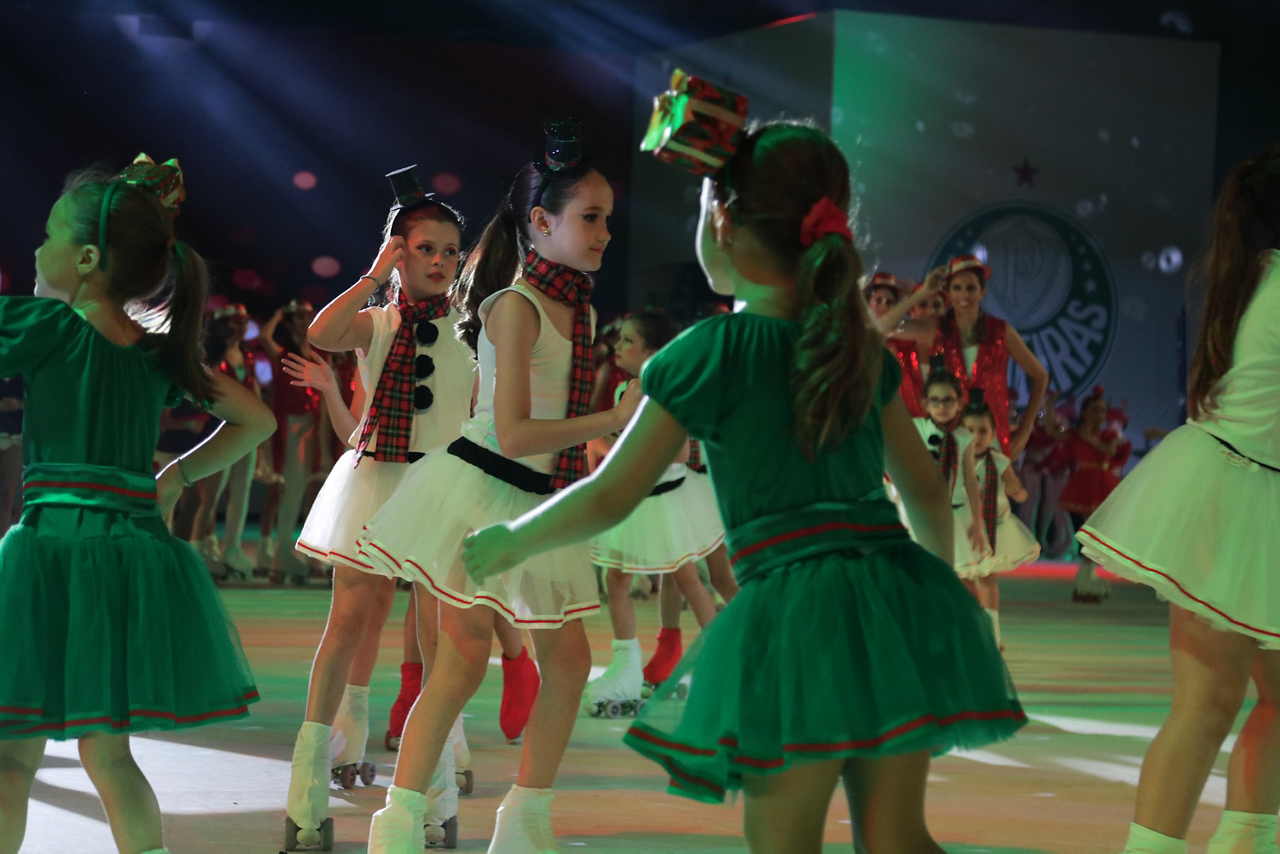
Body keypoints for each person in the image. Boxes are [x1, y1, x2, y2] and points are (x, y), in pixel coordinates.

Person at [461, 120, 1025, 854]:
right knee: (897, 836)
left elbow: (610, 494)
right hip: (891, 597)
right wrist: (932, 600)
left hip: (792, 612)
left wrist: (514, 539)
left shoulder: (710, 352)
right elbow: (921, 491)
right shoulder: (857, 349)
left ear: (722, 225)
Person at [359, 120, 640, 852]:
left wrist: (611, 432)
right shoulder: (514, 306)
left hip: (538, 498)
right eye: (590, 217)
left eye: (607, 218)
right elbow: (512, 432)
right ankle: (398, 821)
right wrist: (612, 419)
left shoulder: (581, 306)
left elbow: (552, 426)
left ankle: (524, 818)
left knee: (569, 661)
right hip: (483, 489)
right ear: (541, 222)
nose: (605, 232)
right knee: (459, 662)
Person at [0, 156, 273, 854]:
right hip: (127, 559)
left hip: (50, 554)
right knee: (110, 754)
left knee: (11, 757)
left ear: (87, 259)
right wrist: (177, 474)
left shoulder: (45, 327)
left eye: (49, 236)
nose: (38, 250)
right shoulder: (157, 354)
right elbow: (256, 418)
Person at [282, 169, 494, 848]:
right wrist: (376, 272)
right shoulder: (379, 321)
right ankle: (306, 790)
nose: (439, 261)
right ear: (400, 252)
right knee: (346, 624)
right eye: (423, 249)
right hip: (376, 479)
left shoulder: (473, 327)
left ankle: (434, 794)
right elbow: (323, 331)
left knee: (439, 644)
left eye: (449, 251)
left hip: (443, 488)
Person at [1079, 142, 1280, 854]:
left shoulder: (1253, 275)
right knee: (1210, 706)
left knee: (1216, 706)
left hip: (1233, 488)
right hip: (1244, 495)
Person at [584, 311, 725, 715]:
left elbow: (678, 451)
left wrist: (622, 442)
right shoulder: (626, 389)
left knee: (687, 579)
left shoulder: (666, 389)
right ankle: (627, 666)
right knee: (617, 579)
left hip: (664, 496)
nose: (618, 346)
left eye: (629, 341)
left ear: (652, 352)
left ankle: (722, 659)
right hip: (640, 497)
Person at [891, 254, 1049, 460]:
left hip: (992, 441)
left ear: (982, 291)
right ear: (949, 293)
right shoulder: (935, 330)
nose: (964, 294)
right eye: (957, 288)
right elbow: (882, 327)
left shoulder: (1001, 332)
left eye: (971, 288)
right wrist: (919, 295)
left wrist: (1026, 427)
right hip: (949, 443)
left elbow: (1040, 376)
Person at [958, 389, 1041, 648]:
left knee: (987, 578)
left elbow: (1018, 491)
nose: (976, 437)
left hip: (994, 528)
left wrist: (1017, 491)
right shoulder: (956, 460)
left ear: (993, 433)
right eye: (970, 430)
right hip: (964, 527)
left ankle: (992, 633)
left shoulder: (997, 460)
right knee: (963, 578)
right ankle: (975, 626)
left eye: (982, 431)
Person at [190, 302, 262, 579]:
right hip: (217, 427)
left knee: (241, 491)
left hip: (246, 428)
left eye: (244, 322)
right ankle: (198, 546)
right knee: (212, 493)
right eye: (235, 322)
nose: (241, 327)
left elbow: (254, 391)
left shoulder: (247, 354)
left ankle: (232, 546)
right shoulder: (211, 354)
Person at [259, 298, 325, 582]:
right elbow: (264, 338)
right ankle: (281, 552)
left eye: (307, 316)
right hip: (291, 426)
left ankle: (290, 552)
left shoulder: (318, 351)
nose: (304, 321)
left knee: (303, 489)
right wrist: (278, 314)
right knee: (290, 488)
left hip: (313, 426)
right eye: (298, 317)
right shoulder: (284, 353)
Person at [1050, 385, 1126, 603]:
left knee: (1098, 534)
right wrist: (1048, 405)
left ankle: (1086, 580)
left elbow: (1110, 451)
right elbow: (1052, 432)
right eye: (1094, 411)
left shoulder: (1109, 434)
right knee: (1089, 534)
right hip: (1083, 485)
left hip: (1103, 484)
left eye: (1102, 411)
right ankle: (1084, 582)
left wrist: (1090, 439)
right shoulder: (1075, 435)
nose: (1099, 415)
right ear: (1084, 413)